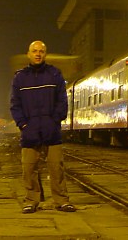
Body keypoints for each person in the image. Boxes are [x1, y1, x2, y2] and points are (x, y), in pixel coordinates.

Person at [10, 40, 76, 214]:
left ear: (45, 54)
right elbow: (15, 105)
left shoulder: (55, 74)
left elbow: (62, 101)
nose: (38, 54)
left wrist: (54, 121)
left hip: (51, 131)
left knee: (56, 167)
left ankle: (61, 200)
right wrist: (23, 124)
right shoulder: (20, 77)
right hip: (30, 131)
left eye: (41, 51)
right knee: (29, 167)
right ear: (28, 54)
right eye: (34, 51)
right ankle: (31, 200)